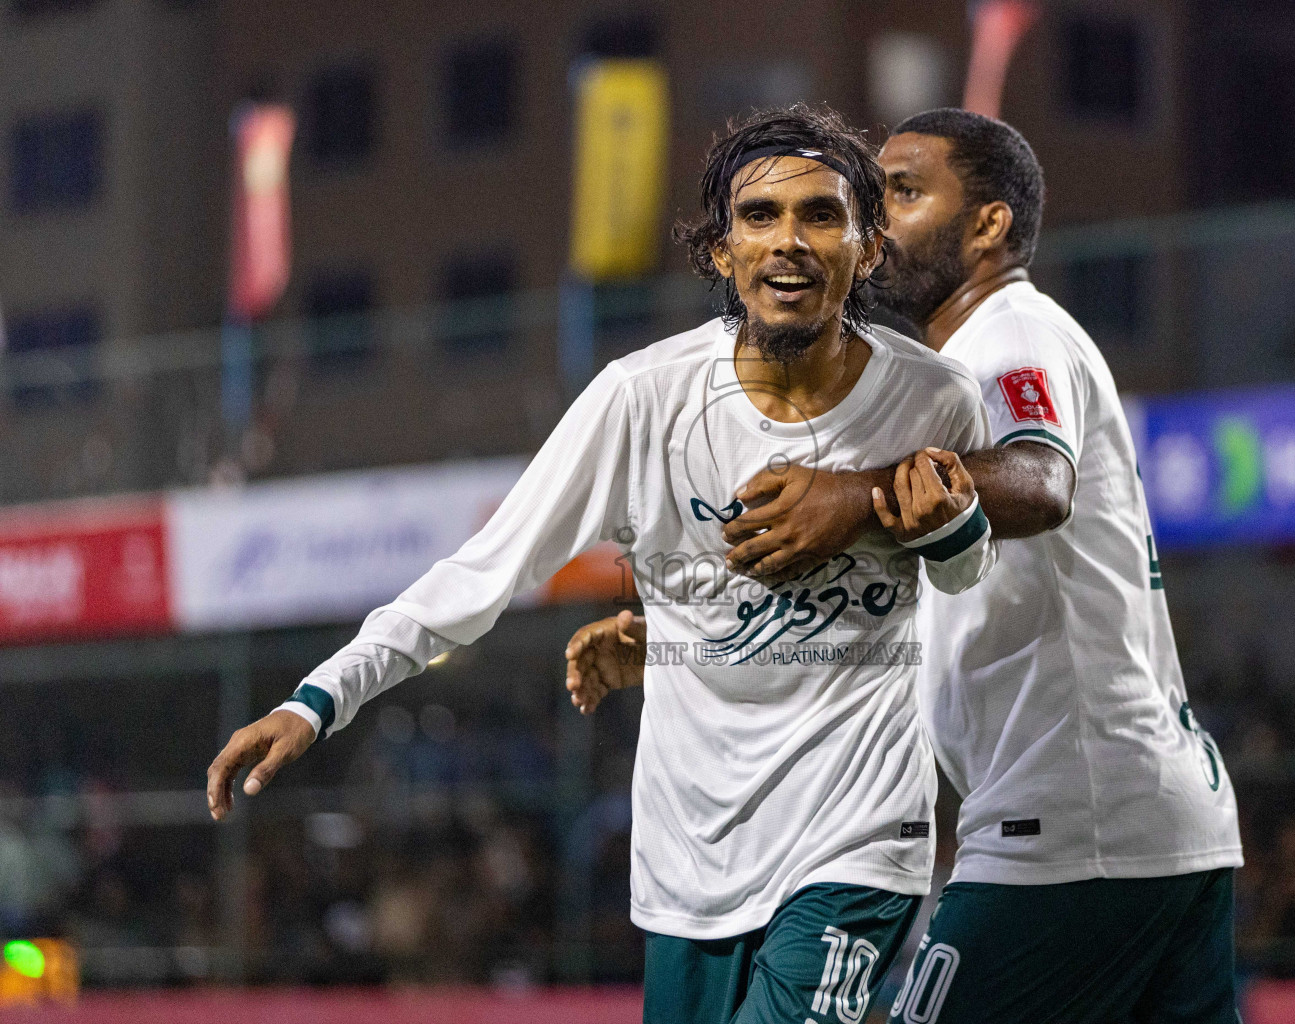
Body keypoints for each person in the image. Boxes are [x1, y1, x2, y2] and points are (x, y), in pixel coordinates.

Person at [207, 105, 999, 1024]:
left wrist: (947, 530)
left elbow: (962, 580)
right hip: (690, 858)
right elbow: (482, 574)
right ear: (718, 252)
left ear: (866, 250)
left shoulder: (937, 400)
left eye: (822, 214)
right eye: (760, 217)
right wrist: (319, 699)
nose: (791, 240)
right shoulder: (642, 400)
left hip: (859, 841)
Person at [566, 108, 1243, 1024]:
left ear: (990, 226)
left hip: (1070, 823)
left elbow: (1042, 480)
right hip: (1161, 819)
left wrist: (848, 495)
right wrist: (696, 634)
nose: (879, 219)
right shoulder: (943, 374)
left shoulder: (1006, 333)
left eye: (906, 193)